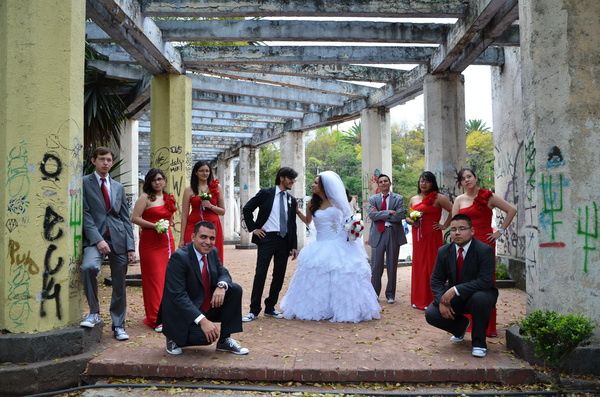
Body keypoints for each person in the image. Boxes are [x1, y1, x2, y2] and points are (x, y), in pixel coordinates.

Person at [281, 172, 381, 322]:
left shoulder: (337, 202)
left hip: (338, 243)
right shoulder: (312, 204)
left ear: (323, 185)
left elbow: (348, 219)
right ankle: (320, 308)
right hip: (319, 244)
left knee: (341, 276)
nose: (313, 185)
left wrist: (353, 227)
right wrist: (296, 212)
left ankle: (342, 308)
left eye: (315, 182)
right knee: (317, 276)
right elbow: (308, 221)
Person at [159, 221, 248, 356]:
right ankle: (173, 337)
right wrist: (203, 321)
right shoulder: (179, 258)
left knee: (234, 289)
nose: (208, 242)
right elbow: (178, 296)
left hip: (203, 303)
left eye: (212, 238)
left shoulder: (212, 252)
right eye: (203, 237)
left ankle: (224, 340)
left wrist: (221, 286)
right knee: (205, 338)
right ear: (193, 237)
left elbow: (223, 272)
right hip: (180, 312)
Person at [453, 167, 516, 337]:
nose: (467, 180)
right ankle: (464, 324)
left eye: (469, 176)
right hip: (465, 245)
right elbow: (454, 225)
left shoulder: (488, 196)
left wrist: (499, 232)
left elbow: (512, 210)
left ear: (476, 178)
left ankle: (486, 326)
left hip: (484, 244)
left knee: (485, 283)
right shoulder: (459, 200)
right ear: (460, 183)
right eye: (463, 178)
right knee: (464, 281)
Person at [80, 147, 135, 341]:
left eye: (109, 160)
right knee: (88, 268)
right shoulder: (84, 183)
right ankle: (94, 312)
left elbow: (125, 218)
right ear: (93, 160)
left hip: (119, 238)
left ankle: (118, 325)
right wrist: (98, 240)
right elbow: (85, 214)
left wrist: (131, 247)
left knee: (119, 284)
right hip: (95, 239)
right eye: (102, 159)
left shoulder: (118, 187)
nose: (106, 163)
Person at [425, 214, 498, 358]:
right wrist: (442, 301)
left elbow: (485, 281)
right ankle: (459, 328)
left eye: (462, 228)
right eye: (453, 229)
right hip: (456, 298)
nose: (457, 232)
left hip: (480, 294)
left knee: (480, 299)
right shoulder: (444, 251)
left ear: (472, 231)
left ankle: (479, 343)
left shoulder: (484, 250)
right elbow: (436, 280)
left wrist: (455, 289)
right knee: (431, 313)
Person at [241, 167, 299, 322]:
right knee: (261, 273)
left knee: (279, 275)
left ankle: (270, 307)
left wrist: (294, 245)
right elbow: (247, 209)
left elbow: (292, 224)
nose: (292, 182)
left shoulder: (291, 200)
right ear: (282, 178)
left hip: (284, 240)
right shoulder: (266, 193)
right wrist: (253, 228)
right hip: (266, 238)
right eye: (290, 179)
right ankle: (254, 310)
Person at [131, 168, 176, 332]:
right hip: (150, 242)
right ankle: (155, 317)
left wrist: (168, 226)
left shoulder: (169, 198)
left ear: (164, 180)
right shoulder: (145, 198)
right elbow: (134, 218)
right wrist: (154, 225)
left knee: (167, 278)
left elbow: (170, 219)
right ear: (150, 182)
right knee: (154, 279)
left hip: (167, 242)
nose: (158, 182)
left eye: (160, 179)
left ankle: (168, 314)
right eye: (154, 180)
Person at [406, 171, 453, 310]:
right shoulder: (414, 199)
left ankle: (433, 298)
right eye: (421, 181)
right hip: (418, 236)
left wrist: (445, 225)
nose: (423, 183)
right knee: (419, 264)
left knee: (432, 264)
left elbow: (453, 210)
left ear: (432, 183)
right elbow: (408, 217)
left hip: (432, 235)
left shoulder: (438, 197)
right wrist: (411, 221)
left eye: (427, 181)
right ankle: (418, 299)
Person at [367, 174, 407, 304]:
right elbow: (372, 215)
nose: (383, 183)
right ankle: (374, 293)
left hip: (393, 234)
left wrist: (382, 215)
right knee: (376, 266)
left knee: (392, 265)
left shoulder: (398, 198)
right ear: (378, 184)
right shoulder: (373, 199)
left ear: (390, 183)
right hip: (378, 234)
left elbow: (400, 215)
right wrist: (389, 212)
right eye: (381, 181)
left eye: (386, 181)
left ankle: (390, 295)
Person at [180, 161, 225, 263]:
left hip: (212, 225)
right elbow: (184, 214)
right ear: (196, 172)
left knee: (213, 257)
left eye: (207, 171)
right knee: (191, 257)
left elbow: (222, 211)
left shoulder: (217, 187)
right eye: (201, 171)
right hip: (193, 225)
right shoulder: (189, 190)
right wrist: (181, 238)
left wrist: (210, 206)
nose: (205, 173)